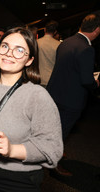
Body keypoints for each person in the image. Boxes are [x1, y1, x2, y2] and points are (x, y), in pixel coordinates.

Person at [0, 27, 63, 192]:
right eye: (5, 46)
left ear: (29, 60)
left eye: (19, 50)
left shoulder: (37, 96)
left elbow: (53, 149)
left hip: (19, 180)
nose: (9, 53)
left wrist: (11, 150)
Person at [46, 13, 100, 176]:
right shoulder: (87, 49)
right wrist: (96, 83)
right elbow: (86, 81)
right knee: (61, 133)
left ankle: (51, 154)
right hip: (71, 100)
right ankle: (53, 165)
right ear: (97, 30)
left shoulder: (66, 42)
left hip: (55, 95)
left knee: (54, 130)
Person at [37, 20, 61, 87]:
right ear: (55, 32)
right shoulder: (59, 45)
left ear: (44, 30)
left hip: (37, 78)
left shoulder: (36, 42)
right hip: (52, 79)